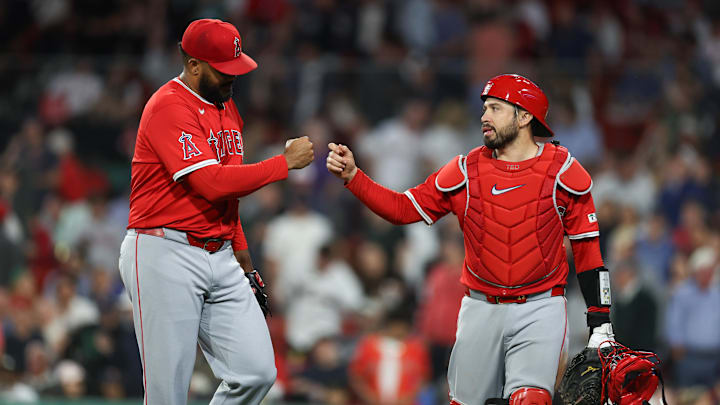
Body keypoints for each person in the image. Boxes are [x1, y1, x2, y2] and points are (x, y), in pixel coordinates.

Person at [326, 74, 614, 405]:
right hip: (480, 307)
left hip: (541, 307)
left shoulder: (564, 172)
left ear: (524, 117)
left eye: (495, 108)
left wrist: (600, 322)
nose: (484, 117)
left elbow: (589, 251)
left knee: (531, 400)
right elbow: (402, 209)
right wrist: (353, 177)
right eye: (484, 108)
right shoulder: (464, 171)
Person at [118, 19, 314, 405]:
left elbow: (227, 195)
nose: (232, 77)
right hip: (164, 251)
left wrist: (241, 251)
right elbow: (211, 183)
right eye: (223, 69)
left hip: (219, 251)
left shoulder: (227, 107)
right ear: (193, 65)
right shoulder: (168, 106)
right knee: (168, 392)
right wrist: (283, 164)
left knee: (256, 373)